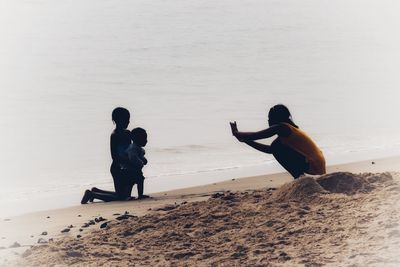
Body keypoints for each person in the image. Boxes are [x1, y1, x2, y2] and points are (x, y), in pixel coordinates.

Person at [230, 104, 326, 178]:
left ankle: (299, 177)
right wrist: (245, 140)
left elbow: (257, 135)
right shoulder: (288, 131)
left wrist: (237, 133)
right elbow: (270, 150)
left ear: (276, 119)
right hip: (317, 165)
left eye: (269, 118)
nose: (268, 121)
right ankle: (300, 177)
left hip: (313, 165)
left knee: (277, 149)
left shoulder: (283, 127)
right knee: (276, 148)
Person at [81, 107, 133, 204]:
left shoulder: (128, 133)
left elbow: (132, 149)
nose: (128, 122)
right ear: (116, 121)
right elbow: (114, 156)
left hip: (125, 167)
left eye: (129, 119)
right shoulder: (115, 135)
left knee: (122, 194)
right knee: (121, 197)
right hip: (117, 168)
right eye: (126, 119)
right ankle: (91, 194)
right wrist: (124, 162)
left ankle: (96, 191)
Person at [125, 127, 150, 199]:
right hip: (130, 169)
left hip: (137, 170)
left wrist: (144, 160)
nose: (146, 141)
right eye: (144, 139)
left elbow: (141, 156)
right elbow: (133, 158)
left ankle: (140, 194)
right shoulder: (133, 148)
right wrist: (141, 163)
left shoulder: (138, 148)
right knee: (130, 182)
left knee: (140, 180)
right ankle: (127, 195)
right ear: (137, 140)